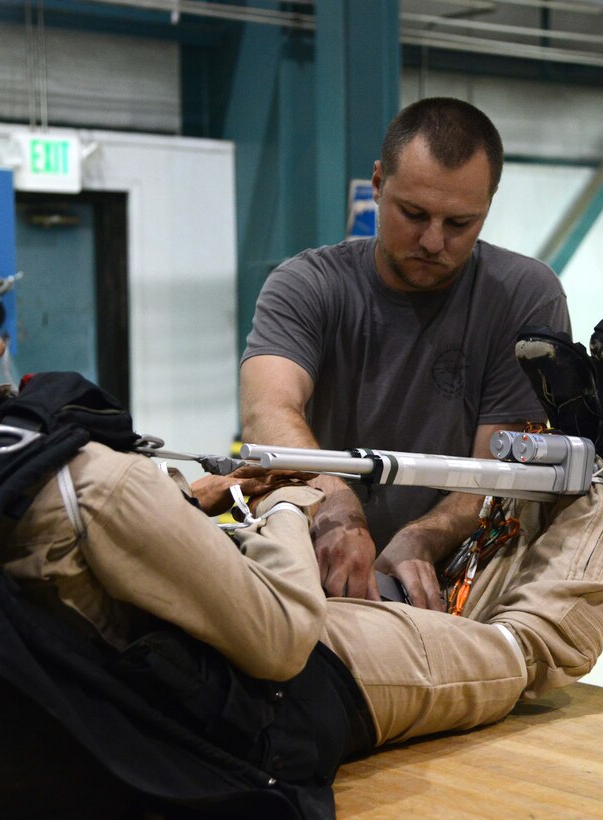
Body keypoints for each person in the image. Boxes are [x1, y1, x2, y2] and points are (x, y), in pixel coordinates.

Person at [0, 227, 603, 816]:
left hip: (120, 675)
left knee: (440, 617)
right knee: (522, 653)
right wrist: (286, 498)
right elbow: (277, 639)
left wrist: (184, 514)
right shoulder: (79, 483)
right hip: (271, 689)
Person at [240, 97, 571, 609]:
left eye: (460, 223)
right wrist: (337, 507)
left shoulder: (524, 297)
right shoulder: (306, 285)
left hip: (456, 581)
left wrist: (424, 536)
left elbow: (505, 473)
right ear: (377, 184)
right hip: (316, 563)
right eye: (413, 214)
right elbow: (268, 410)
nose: (433, 241)